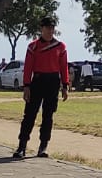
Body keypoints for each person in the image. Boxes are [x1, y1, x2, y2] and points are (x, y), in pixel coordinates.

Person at [16, 16, 69, 159]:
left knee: (48, 115)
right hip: (37, 81)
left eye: (52, 28)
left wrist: (65, 85)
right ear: (42, 29)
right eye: (47, 28)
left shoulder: (60, 46)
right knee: (29, 115)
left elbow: (64, 66)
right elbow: (28, 67)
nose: (50, 31)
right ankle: (22, 147)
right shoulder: (33, 46)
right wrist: (26, 85)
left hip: (53, 82)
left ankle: (43, 146)